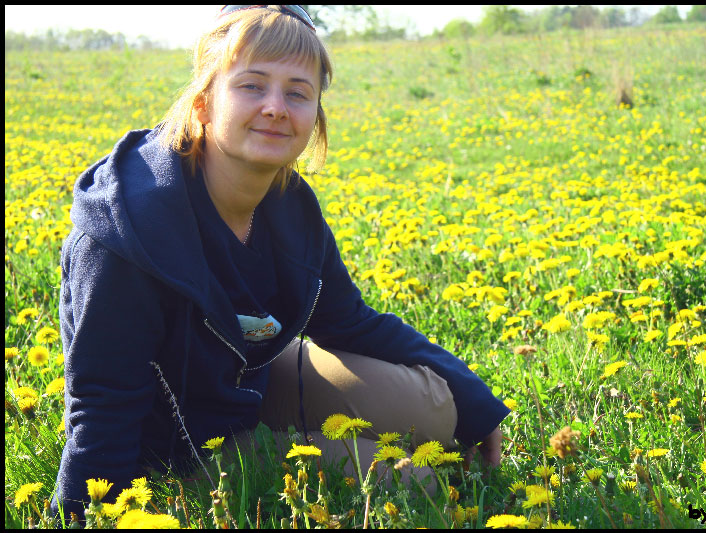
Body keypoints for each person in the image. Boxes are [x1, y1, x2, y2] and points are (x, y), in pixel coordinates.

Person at [50, 5, 509, 522]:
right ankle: (268, 449)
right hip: (176, 439)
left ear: (315, 116)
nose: (275, 107)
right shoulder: (129, 226)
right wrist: (90, 511)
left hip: (250, 380)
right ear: (203, 102)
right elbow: (103, 399)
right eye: (252, 85)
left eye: (297, 92)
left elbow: (350, 322)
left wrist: (476, 400)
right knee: (418, 482)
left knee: (438, 410)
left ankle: (291, 433)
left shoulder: (290, 203)